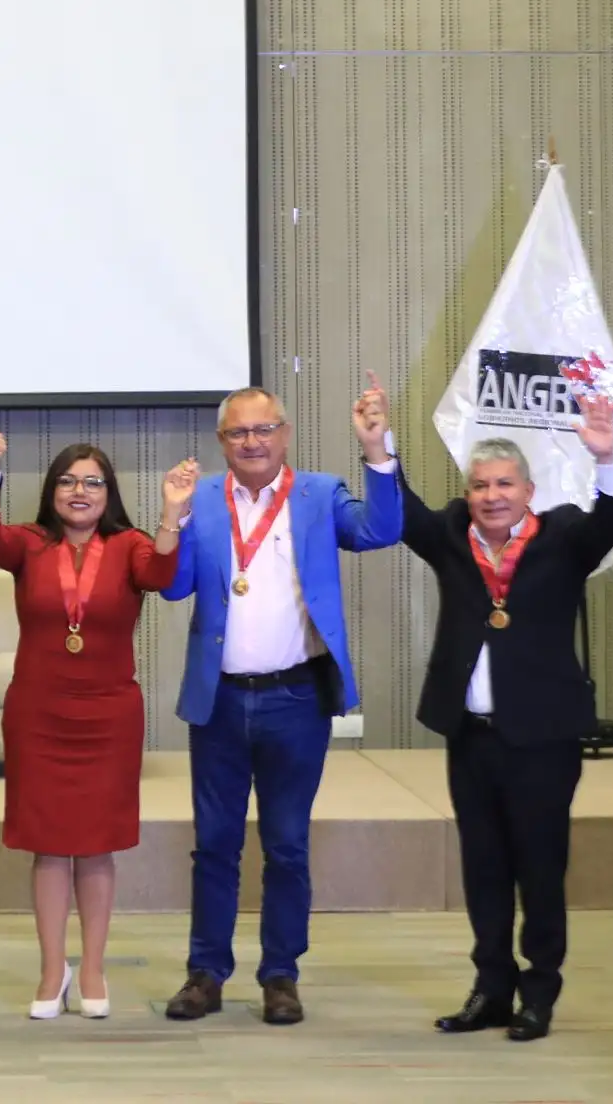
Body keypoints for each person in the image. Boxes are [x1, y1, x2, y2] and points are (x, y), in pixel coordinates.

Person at [160, 374, 401, 1026]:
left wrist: (378, 450)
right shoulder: (202, 499)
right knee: (213, 844)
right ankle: (205, 972)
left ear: (285, 434)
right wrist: (172, 519)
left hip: (296, 698)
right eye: (238, 432)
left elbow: (381, 529)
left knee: (287, 844)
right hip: (219, 700)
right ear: (221, 441)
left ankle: (280, 975)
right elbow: (174, 587)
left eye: (264, 428)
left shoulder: (319, 494)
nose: (252, 441)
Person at [404, 398, 613, 1043]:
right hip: (472, 737)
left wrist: (605, 453)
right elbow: (405, 515)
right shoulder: (450, 535)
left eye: (504, 484)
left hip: (543, 739)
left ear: (528, 490)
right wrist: (377, 449)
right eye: (480, 485)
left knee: (539, 866)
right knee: (484, 867)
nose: (491, 496)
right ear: (467, 493)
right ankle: (491, 989)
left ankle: (540, 991)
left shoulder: (562, 538)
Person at [0, 429, 194, 1019]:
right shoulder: (29, 544)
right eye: (67, 480)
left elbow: (162, 577)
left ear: (109, 493)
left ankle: (92, 967)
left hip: (108, 714)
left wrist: (172, 513)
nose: (79, 490)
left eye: (93, 482)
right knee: (47, 846)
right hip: (39, 713)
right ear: (51, 491)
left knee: (95, 847)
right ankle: (52, 970)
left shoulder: (130, 546)